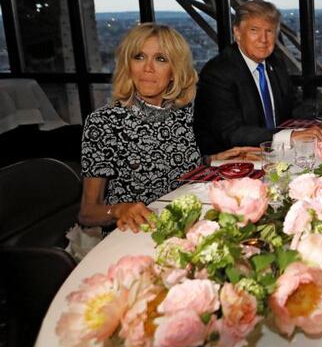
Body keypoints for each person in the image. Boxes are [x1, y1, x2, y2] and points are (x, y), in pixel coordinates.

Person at [78, 23, 258, 233]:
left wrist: (214, 159)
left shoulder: (185, 112)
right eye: (139, 57)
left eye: (160, 59)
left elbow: (173, 168)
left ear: (174, 71)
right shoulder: (103, 123)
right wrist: (118, 209)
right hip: (136, 233)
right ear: (128, 66)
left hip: (188, 223)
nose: (148, 68)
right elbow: (87, 213)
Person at [193, 0, 322, 156]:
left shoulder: (275, 61)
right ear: (237, 33)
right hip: (236, 160)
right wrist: (288, 136)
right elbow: (232, 132)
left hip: (276, 153)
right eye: (254, 30)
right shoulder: (218, 73)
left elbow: (293, 106)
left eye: (269, 31)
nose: (263, 39)